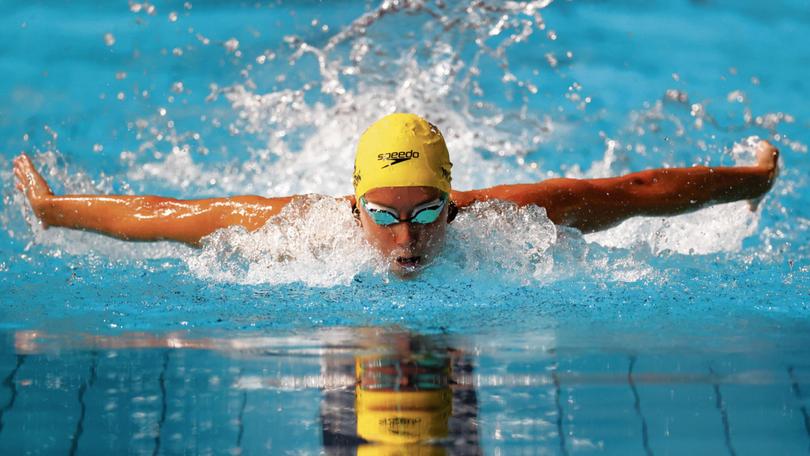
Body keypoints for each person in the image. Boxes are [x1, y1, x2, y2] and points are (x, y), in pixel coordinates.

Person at [13, 113, 779, 277]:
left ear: (453, 204)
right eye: (384, 216)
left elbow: (637, 191)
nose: (407, 237)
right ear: (355, 209)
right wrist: (52, 210)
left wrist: (752, 182)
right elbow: (161, 216)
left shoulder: (508, 219)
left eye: (425, 215)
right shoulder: (298, 233)